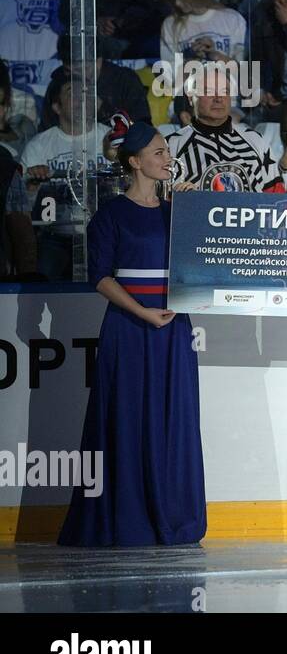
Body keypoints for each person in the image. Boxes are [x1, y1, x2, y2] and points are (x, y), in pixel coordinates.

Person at [58, 120, 206, 546]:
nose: (168, 159)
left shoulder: (175, 210)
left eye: (167, 152)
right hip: (130, 327)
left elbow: (202, 261)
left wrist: (197, 212)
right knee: (126, 418)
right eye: (159, 153)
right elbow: (100, 277)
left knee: (172, 419)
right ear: (135, 161)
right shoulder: (111, 214)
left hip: (172, 328)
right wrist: (142, 312)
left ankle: (171, 513)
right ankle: (129, 517)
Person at [21, 80, 114, 280]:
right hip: (55, 236)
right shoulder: (39, 146)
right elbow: (21, 205)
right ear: (56, 106)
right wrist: (32, 184)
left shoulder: (110, 139)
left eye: (87, 93)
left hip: (103, 233)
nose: (83, 98)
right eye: (73, 92)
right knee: (41, 286)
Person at [168, 63, 282, 193]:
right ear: (190, 97)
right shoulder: (172, 145)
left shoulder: (256, 140)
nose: (218, 98)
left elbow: (275, 199)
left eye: (225, 91)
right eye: (208, 91)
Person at [160, 0, 249, 99]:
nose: (177, 3)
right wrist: (192, 60)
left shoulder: (232, 19)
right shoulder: (170, 25)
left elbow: (246, 74)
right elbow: (169, 80)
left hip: (228, 101)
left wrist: (216, 55)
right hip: (190, 103)